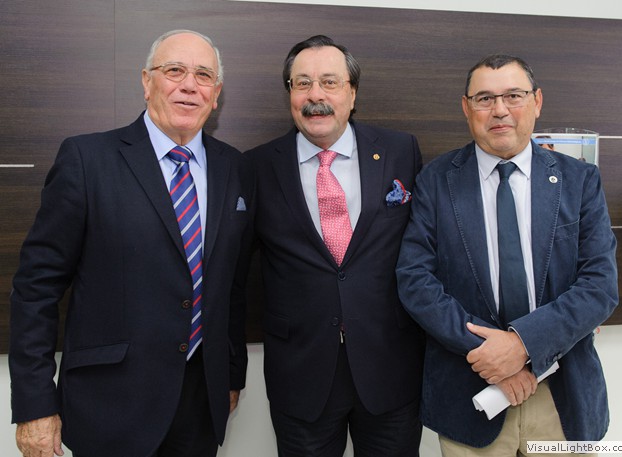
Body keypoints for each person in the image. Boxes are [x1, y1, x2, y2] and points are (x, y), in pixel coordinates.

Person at [9, 29, 254, 457]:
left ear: (216, 94)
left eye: (203, 75)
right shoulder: (87, 160)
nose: (189, 85)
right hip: (109, 406)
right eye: (174, 70)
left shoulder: (235, 167)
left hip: (200, 404)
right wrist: (35, 405)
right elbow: (36, 289)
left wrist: (231, 375)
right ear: (146, 81)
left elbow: (231, 283)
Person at [396, 54, 618, 456]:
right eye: (484, 98)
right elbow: (416, 281)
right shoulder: (435, 181)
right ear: (466, 108)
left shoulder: (580, 180)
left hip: (562, 398)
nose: (499, 109)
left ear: (537, 101)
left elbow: (599, 286)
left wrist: (523, 346)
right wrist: (492, 354)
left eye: (513, 95)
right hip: (472, 396)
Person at [246, 35, 424, 456]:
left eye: (330, 82)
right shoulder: (255, 166)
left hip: (390, 370)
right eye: (302, 83)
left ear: (352, 92)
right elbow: (232, 274)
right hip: (301, 374)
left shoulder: (400, 151)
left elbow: (430, 251)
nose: (316, 96)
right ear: (289, 93)